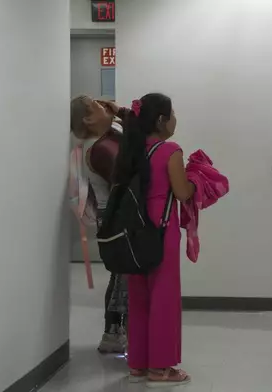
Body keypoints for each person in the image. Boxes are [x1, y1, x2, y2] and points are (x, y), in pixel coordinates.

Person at [113, 93, 194, 387]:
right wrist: (197, 180)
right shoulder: (169, 150)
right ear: (161, 120)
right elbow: (183, 193)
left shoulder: (131, 149)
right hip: (161, 228)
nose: (175, 120)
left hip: (133, 230)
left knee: (139, 297)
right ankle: (160, 369)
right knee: (164, 297)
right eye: (172, 114)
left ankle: (137, 365)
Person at [70, 96, 130, 354]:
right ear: (88, 119)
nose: (107, 107)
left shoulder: (112, 133)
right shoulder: (101, 148)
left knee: (123, 274)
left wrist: (122, 115)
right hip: (116, 216)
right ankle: (113, 332)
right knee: (123, 275)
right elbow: (126, 178)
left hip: (121, 212)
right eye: (99, 107)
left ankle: (117, 331)